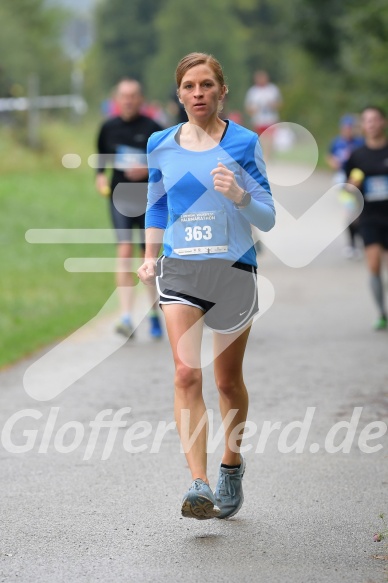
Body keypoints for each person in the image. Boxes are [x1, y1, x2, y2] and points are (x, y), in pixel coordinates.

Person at [137, 53, 275, 520]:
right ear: (178, 94)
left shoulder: (244, 142)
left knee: (227, 381)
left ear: (222, 92)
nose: (198, 93)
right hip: (180, 269)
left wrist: (240, 196)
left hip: (234, 270)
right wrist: (149, 256)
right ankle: (197, 483)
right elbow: (156, 205)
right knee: (185, 374)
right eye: (190, 86)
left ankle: (230, 466)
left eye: (207, 85)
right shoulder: (160, 143)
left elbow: (268, 216)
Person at [96, 79, 164, 339]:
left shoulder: (154, 129)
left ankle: (155, 313)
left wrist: (147, 169)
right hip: (120, 198)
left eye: (133, 95)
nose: (128, 100)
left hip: (149, 200)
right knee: (124, 251)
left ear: (141, 99)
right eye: (123, 96)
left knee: (148, 258)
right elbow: (101, 162)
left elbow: (168, 163)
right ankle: (125, 317)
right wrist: (100, 177)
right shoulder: (108, 128)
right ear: (116, 99)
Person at [345, 106, 388, 331]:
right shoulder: (357, 156)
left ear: (383, 123)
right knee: (373, 265)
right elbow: (346, 190)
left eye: (375, 119)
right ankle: (381, 312)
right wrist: (352, 190)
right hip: (370, 217)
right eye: (366, 120)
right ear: (363, 126)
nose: (371, 124)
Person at [326, 114, 364, 258]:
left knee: (360, 214)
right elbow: (329, 156)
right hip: (342, 180)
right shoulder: (337, 142)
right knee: (350, 213)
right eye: (345, 128)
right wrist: (333, 162)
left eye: (350, 128)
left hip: (357, 179)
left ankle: (362, 242)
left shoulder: (359, 142)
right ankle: (351, 245)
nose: (348, 130)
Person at [244, 70, 282, 159]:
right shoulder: (253, 91)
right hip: (258, 120)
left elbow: (279, 103)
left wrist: (272, 105)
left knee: (269, 138)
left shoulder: (272, 89)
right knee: (262, 139)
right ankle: (264, 155)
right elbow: (248, 108)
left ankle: (268, 156)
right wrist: (254, 110)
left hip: (271, 119)